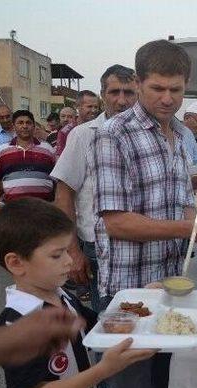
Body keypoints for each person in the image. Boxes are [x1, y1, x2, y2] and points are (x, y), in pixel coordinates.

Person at [93, 39, 197, 388]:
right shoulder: (114, 134)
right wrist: (191, 227)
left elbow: (180, 200)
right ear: (138, 83)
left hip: (171, 283)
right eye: (157, 88)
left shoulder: (178, 135)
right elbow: (116, 221)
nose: (168, 99)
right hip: (130, 290)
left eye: (176, 90)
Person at [0, 198, 156, 388]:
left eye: (69, 250)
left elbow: (102, 323)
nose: (70, 261)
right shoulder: (17, 324)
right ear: (17, 263)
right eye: (57, 255)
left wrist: (142, 299)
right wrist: (103, 369)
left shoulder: (62, 297)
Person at [53, 64, 138, 312]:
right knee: (109, 319)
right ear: (102, 95)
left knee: (142, 318)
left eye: (129, 93)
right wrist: (72, 251)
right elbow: (64, 194)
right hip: (97, 247)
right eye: (114, 92)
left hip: (140, 242)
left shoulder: (147, 133)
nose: (122, 101)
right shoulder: (83, 135)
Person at [0, 110, 56, 213]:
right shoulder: (2, 150)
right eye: (20, 123)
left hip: (44, 209)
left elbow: (57, 178)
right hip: (12, 209)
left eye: (28, 123)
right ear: (14, 126)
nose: (25, 126)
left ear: (33, 126)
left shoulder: (48, 149)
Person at [56, 91, 100, 156]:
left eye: (96, 107)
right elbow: (59, 158)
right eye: (89, 106)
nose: (93, 110)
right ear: (77, 106)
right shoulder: (65, 132)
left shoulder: (101, 128)